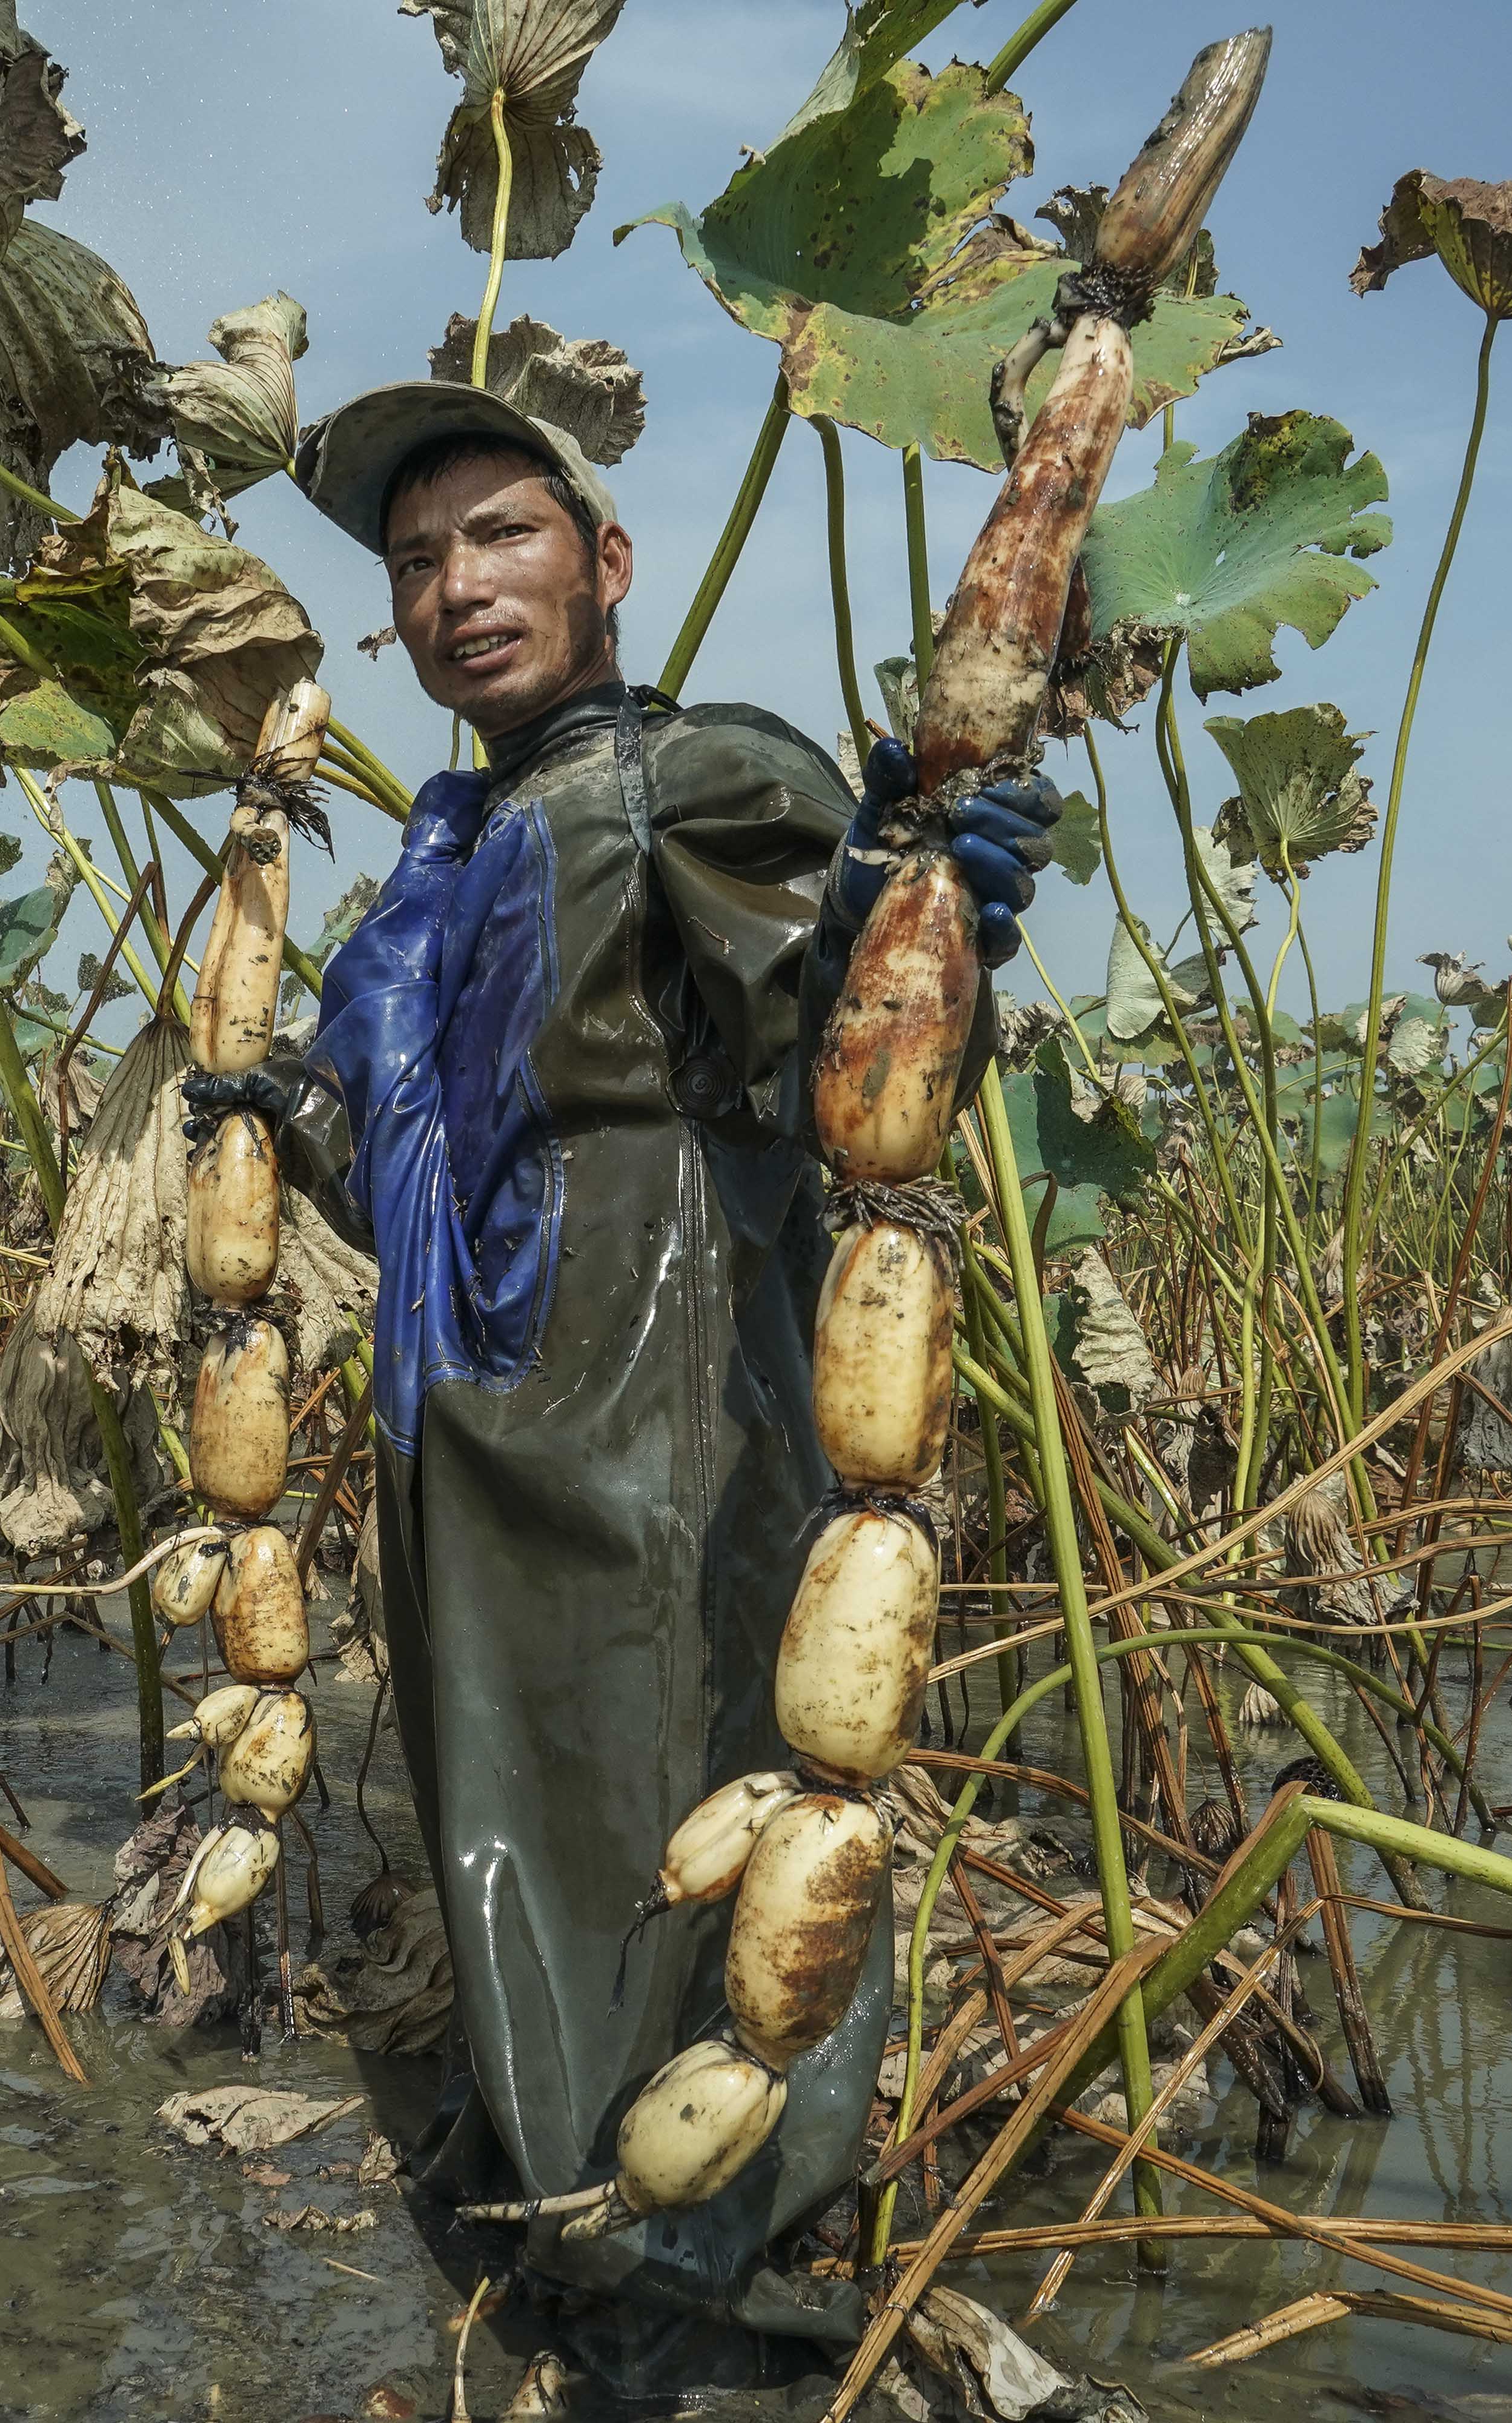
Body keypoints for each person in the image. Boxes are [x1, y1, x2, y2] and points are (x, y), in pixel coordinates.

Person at [244, 381, 1058, 2340]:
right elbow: (412, 1159)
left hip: (654, 1361)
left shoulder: (689, 776)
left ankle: (706, 2238)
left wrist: (908, 894)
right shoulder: (445, 851)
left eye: (501, 536)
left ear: (605, 564)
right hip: (465, 1396)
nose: (457, 588)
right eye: (416, 559)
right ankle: (552, 2170)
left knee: (665, 1776)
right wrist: (278, 1107)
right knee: (499, 1777)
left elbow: (826, 1017)